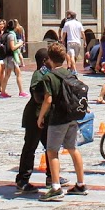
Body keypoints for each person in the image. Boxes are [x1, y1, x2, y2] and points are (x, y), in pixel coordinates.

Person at [36, 43, 87, 201]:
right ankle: (81, 184)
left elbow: (48, 99)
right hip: (72, 117)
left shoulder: (49, 77)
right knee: (72, 148)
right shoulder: (70, 74)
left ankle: (56, 187)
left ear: (49, 59)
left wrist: (40, 117)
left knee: (52, 151)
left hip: (58, 119)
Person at [16, 47, 52, 194]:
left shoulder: (48, 73)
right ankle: (22, 180)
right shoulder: (39, 74)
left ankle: (52, 177)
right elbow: (36, 94)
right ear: (44, 61)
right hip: (35, 116)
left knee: (50, 147)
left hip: (44, 117)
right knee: (30, 147)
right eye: (50, 58)